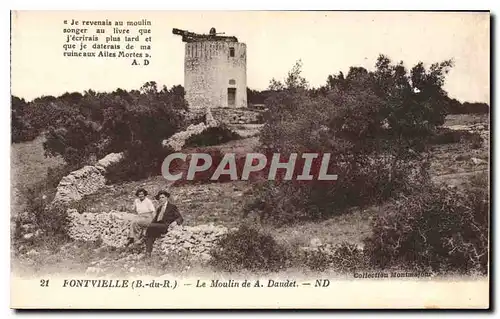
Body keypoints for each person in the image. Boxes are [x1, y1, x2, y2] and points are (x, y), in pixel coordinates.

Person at [145, 190, 184, 258]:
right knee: (150, 234)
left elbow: (180, 218)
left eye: (163, 197)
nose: (161, 199)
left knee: (150, 228)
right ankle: (148, 253)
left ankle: (144, 243)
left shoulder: (172, 207)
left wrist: (175, 222)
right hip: (157, 226)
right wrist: (149, 226)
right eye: (160, 198)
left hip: (165, 226)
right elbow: (155, 220)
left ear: (166, 198)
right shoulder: (159, 208)